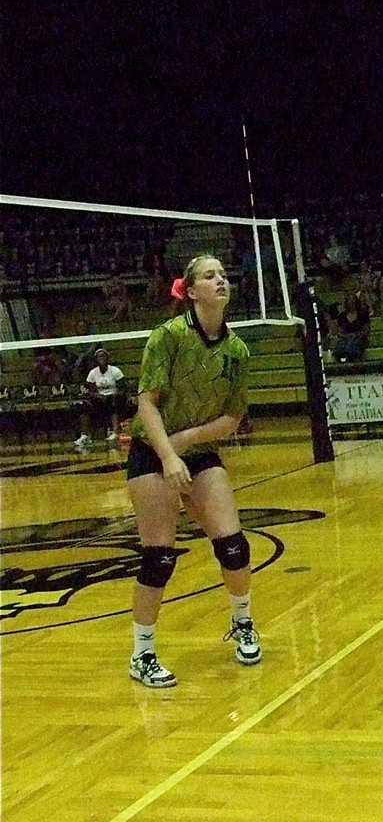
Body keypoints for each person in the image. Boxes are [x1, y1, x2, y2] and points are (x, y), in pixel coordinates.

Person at [125, 255, 260, 688]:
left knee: (234, 545)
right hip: (152, 452)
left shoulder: (237, 351)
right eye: (209, 275)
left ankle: (243, 624)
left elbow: (232, 420)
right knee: (159, 557)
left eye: (223, 274)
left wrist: (184, 445)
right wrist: (167, 455)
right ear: (191, 289)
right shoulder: (168, 337)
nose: (220, 280)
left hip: (195, 451)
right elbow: (147, 402)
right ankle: (142, 653)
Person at [74, 347, 127, 450]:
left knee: (114, 403)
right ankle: (85, 435)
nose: (101, 358)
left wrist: (113, 394)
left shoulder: (115, 371)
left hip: (113, 397)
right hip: (99, 399)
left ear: (107, 358)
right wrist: (97, 396)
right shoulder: (93, 373)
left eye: (103, 356)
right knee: (84, 407)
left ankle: (114, 432)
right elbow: (90, 390)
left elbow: (123, 388)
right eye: (99, 356)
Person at [333, 289, 373, 363]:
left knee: (354, 344)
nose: (351, 302)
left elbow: (367, 329)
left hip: (359, 338)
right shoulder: (342, 316)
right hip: (345, 338)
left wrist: (357, 334)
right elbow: (339, 331)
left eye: (353, 300)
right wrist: (347, 336)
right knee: (343, 345)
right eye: (349, 300)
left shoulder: (362, 314)